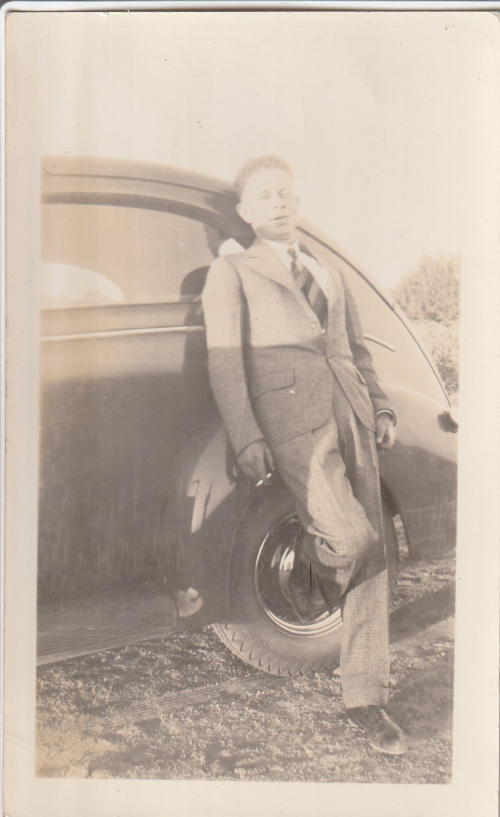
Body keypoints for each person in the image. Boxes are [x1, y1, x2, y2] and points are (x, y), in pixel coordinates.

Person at [201, 155, 407, 756]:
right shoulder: (232, 272)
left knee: (374, 552)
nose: (280, 202)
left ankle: (366, 697)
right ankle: (314, 565)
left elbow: (356, 350)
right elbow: (224, 361)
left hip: (354, 415)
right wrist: (247, 436)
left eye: (286, 193)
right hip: (292, 427)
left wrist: (382, 408)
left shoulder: (327, 270)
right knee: (352, 537)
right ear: (245, 211)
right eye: (265, 195)